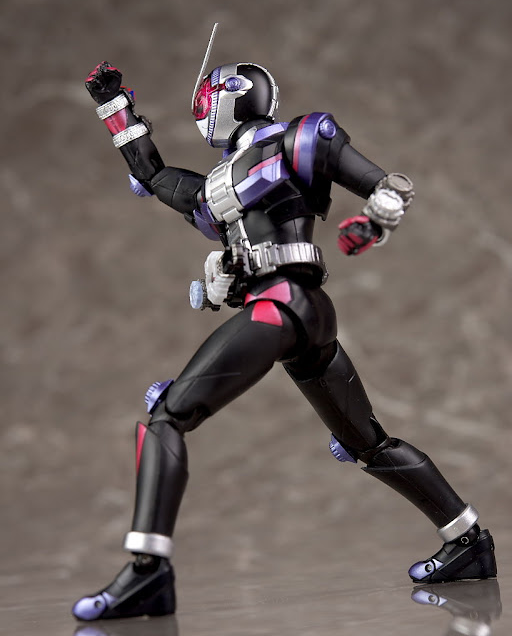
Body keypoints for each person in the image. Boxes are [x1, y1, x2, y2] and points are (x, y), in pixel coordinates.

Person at [72, 43, 496, 621]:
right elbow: (153, 173)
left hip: (281, 304)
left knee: (168, 416)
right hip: (306, 312)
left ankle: (149, 573)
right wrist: (114, 105)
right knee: (368, 442)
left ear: (230, 96)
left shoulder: (301, 139)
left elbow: (384, 185)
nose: (200, 112)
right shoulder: (217, 186)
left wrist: (372, 222)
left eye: (205, 100)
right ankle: (469, 541)